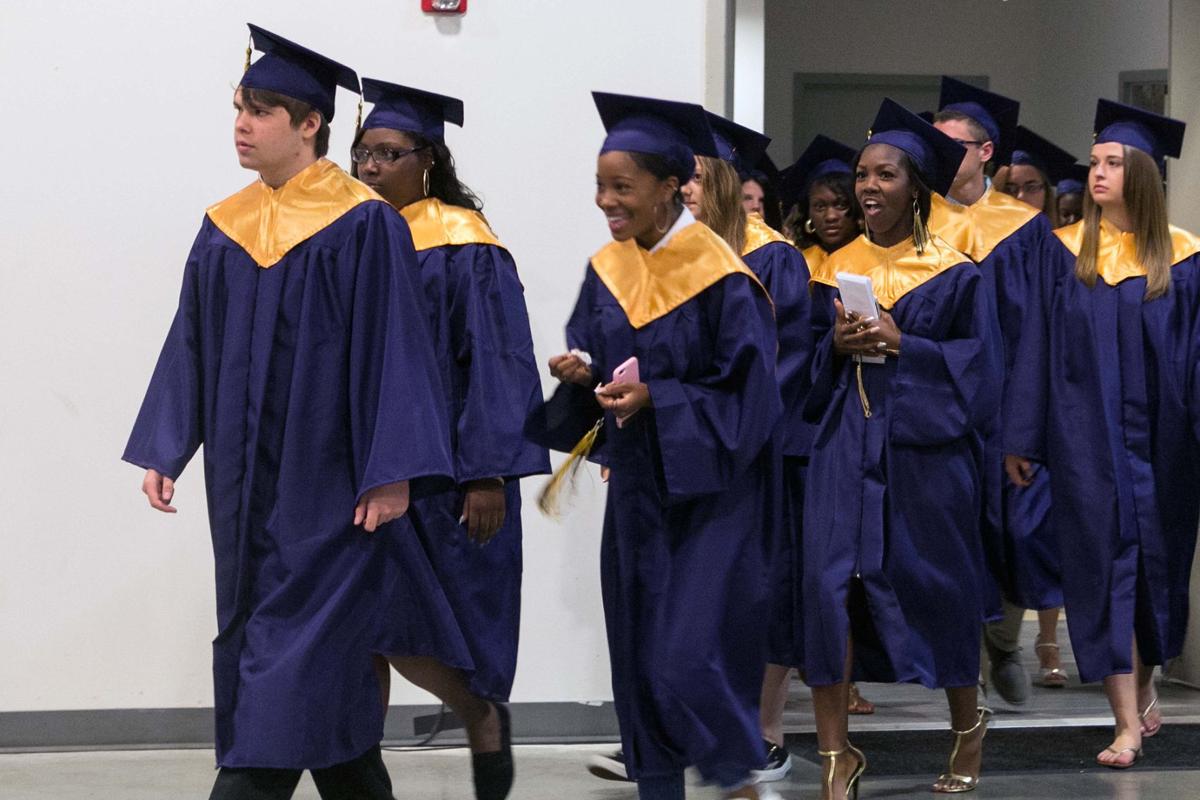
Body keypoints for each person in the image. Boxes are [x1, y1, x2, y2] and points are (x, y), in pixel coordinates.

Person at [123, 25, 455, 800]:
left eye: (263, 110)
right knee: (314, 696)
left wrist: (394, 470)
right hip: (243, 495)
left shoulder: (363, 223)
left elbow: (396, 353)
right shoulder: (225, 226)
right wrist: (167, 446)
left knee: (289, 666)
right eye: (240, 107)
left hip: (331, 490)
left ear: (311, 125)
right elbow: (192, 343)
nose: (243, 123)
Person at [533, 91, 783, 800]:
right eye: (600, 186)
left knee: (684, 655)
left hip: (713, 497)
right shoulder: (610, 268)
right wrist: (582, 374)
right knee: (640, 658)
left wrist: (661, 397)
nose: (605, 201)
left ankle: (740, 781)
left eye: (622, 187)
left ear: (673, 187)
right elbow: (598, 356)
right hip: (641, 491)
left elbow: (753, 398)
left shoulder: (722, 278)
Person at [351, 78, 550, 800]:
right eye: (362, 153)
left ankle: (478, 715)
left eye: (387, 153)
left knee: (414, 630)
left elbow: (498, 359)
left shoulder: (466, 245)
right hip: (368, 467)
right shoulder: (356, 236)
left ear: (427, 160)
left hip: (445, 477)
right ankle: (358, 771)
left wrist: (490, 471)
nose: (369, 167)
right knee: (360, 630)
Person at [804, 98, 1000, 798]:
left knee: (938, 590)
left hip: (924, 456)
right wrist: (834, 343)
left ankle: (968, 725)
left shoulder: (954, 271)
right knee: (828, 595)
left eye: (885, 174)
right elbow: (798, 371)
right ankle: (836, 758)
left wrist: (901, 343)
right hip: (842, 449)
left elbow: (979, 371)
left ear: (915, 186)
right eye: (862, 174)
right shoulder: (830, 269)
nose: (868, 187)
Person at [1005, 100, 1200, 769]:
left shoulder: (1187, 259)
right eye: (1094, 162)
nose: (1097, 173)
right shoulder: (1065, 257)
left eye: (1113, 163)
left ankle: (1143, 690)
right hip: (1086, 444)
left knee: (1155, 576)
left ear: (1141, 173)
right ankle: (1121, 718)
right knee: (1103, 573)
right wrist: (1021, 438)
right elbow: (1035, 348)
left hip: (1169, 451)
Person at [685, 112, 813, 784]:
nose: (684, 189)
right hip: (692, 454)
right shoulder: (677, 256)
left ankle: (764, 730)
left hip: (756, 456)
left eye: (698, 178)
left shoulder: (773, 259)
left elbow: (778, 367)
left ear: (728, 184)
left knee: (761, 591)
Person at [930, 77, 1056, 707]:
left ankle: (1003, 643)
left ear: (986, 154)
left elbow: (1039, 328)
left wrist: (1028, 420)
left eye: (955, 144)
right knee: (944, 535)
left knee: (1010, 531)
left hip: (1002, 403)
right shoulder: (918, 221)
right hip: (934, 401)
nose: (942, 154)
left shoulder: (1025, 230)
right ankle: (961, 667)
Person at [1002, 125, 1080, 228]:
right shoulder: (981, 239)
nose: (1020, 196)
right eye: (1010, 189)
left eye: (1031, 187)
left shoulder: (1055, 243)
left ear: (1046, 193)